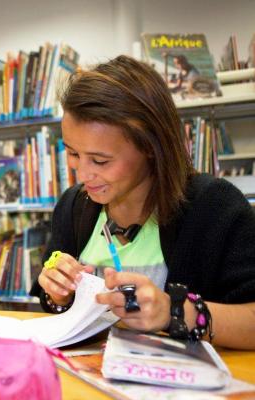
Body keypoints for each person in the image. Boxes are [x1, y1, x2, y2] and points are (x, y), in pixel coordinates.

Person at [34, 55, 255, 350]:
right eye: (73, 153)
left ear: (151, 148)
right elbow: (57, 308)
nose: (83, 173)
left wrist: (173, 312)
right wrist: (58, 293)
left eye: (100, 160)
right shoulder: (74, 206)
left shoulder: (215, 206)